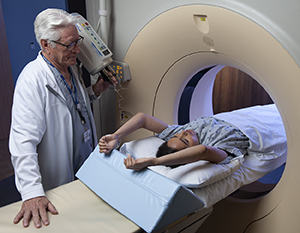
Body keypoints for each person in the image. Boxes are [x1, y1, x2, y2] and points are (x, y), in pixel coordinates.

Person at [9, 8, 118, 228]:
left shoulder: (72, 69)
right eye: (70, 45)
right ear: (45, 44)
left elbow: (71, 108)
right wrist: (31, 193)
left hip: (84, 164)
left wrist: (95, 91)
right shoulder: (32, 80)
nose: (77, 50)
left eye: (77, 42)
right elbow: (22, 142)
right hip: (57, 176)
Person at [99, 112, 249, 171]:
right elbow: (203, 150)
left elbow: (142, 118)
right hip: (248, 128)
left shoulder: (175, 134)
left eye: (177, 136)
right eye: (186, 141)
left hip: (231, 116)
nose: (183, 132)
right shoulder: (218, 151)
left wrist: (116, 136)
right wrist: (154, 161)